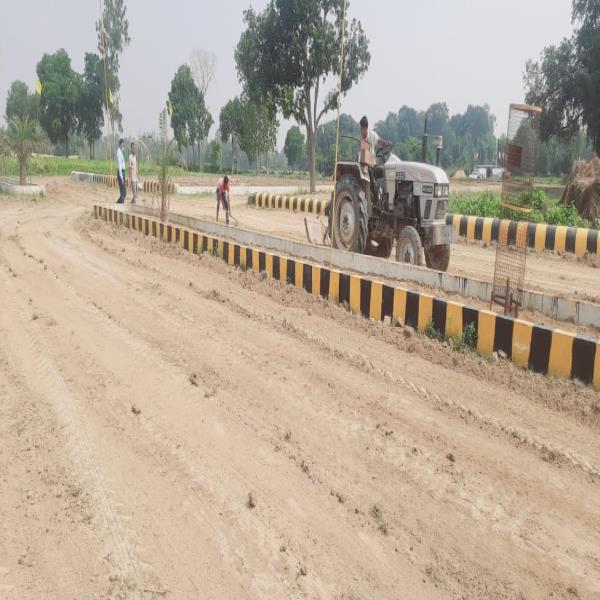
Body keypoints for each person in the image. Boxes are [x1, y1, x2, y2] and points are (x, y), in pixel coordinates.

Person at [116, 138, 126, 203]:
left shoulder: (121, 152)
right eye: (122, 145)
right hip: (121, 172)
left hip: (122, 172)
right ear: (120, 144)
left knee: (123, 191)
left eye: (123, 145)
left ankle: (119, 201)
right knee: (123, 191)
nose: (123, 146)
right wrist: (121, 177)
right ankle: (120, 202)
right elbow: (119, 166)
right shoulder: (119, 153)